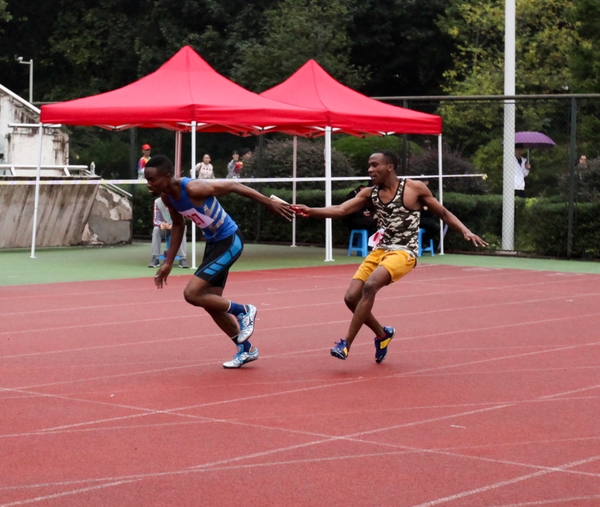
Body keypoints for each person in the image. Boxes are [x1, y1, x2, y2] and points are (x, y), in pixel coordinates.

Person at [292, 150, 487, 364]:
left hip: (404, 251)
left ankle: (345, 343)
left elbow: (443, 213)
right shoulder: (369, 193)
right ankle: (382, 334)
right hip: (380, 250)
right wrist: (310, 210)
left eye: (374, 165)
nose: (370, 170)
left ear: (389, 167)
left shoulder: (414, 188)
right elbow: (340, 210)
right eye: (369, 165)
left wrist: (465, 231)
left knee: (370, 286)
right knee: (350, 298)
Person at [144, 155, 293, 369]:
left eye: (151, 179)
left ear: (167, 176)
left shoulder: (194, 188)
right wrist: (168, 262)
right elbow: (178, 225)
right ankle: (246, 349)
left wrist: (268, 202)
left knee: (192, 294)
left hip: (230, 240)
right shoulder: (167, 197)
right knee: (210, 302)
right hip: (214, 244)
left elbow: (233, 185)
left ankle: (244, 310)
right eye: (147, 179)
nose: (148, 184)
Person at [149, 197, 188, 269]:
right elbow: (156, 220)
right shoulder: (157, 201)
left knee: (182, 229)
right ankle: (155, 258)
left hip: (176, 226)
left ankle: (183, 258)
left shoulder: (178, 200)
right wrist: (161, 224)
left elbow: (182, 219)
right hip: (163, 227)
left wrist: (172, 226)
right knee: (156, 229)